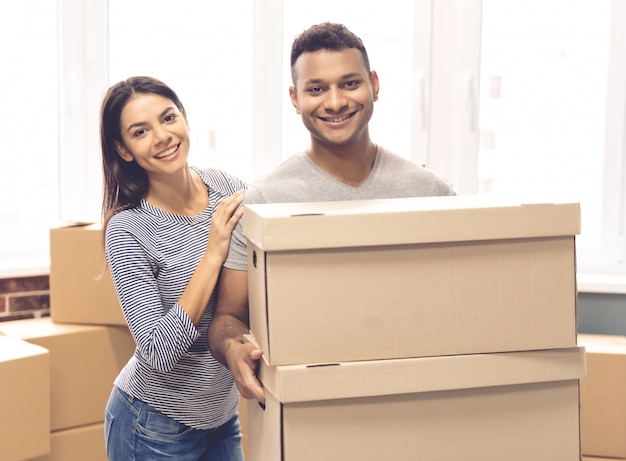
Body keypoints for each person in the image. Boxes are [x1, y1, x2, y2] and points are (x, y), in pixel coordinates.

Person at [208, 22, 456, 404]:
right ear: (295, 98)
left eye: (350, 83)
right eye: (316, 89)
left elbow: (460, 298)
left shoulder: (430, 192)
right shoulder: (263, 201)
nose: (336, 102)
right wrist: (232, 349)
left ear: (374, 83)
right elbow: (227, 315)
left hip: (418, 399)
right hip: (315, 407)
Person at [100, 76, 247, 461]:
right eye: (140, 131)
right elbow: (158, 351)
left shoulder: (225, 187)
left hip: (221, 415)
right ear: (124, 149)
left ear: (184, 117)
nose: (162, 136)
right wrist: (213, 251)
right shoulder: (128, 229)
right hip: (152, 424)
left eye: (168, 118)